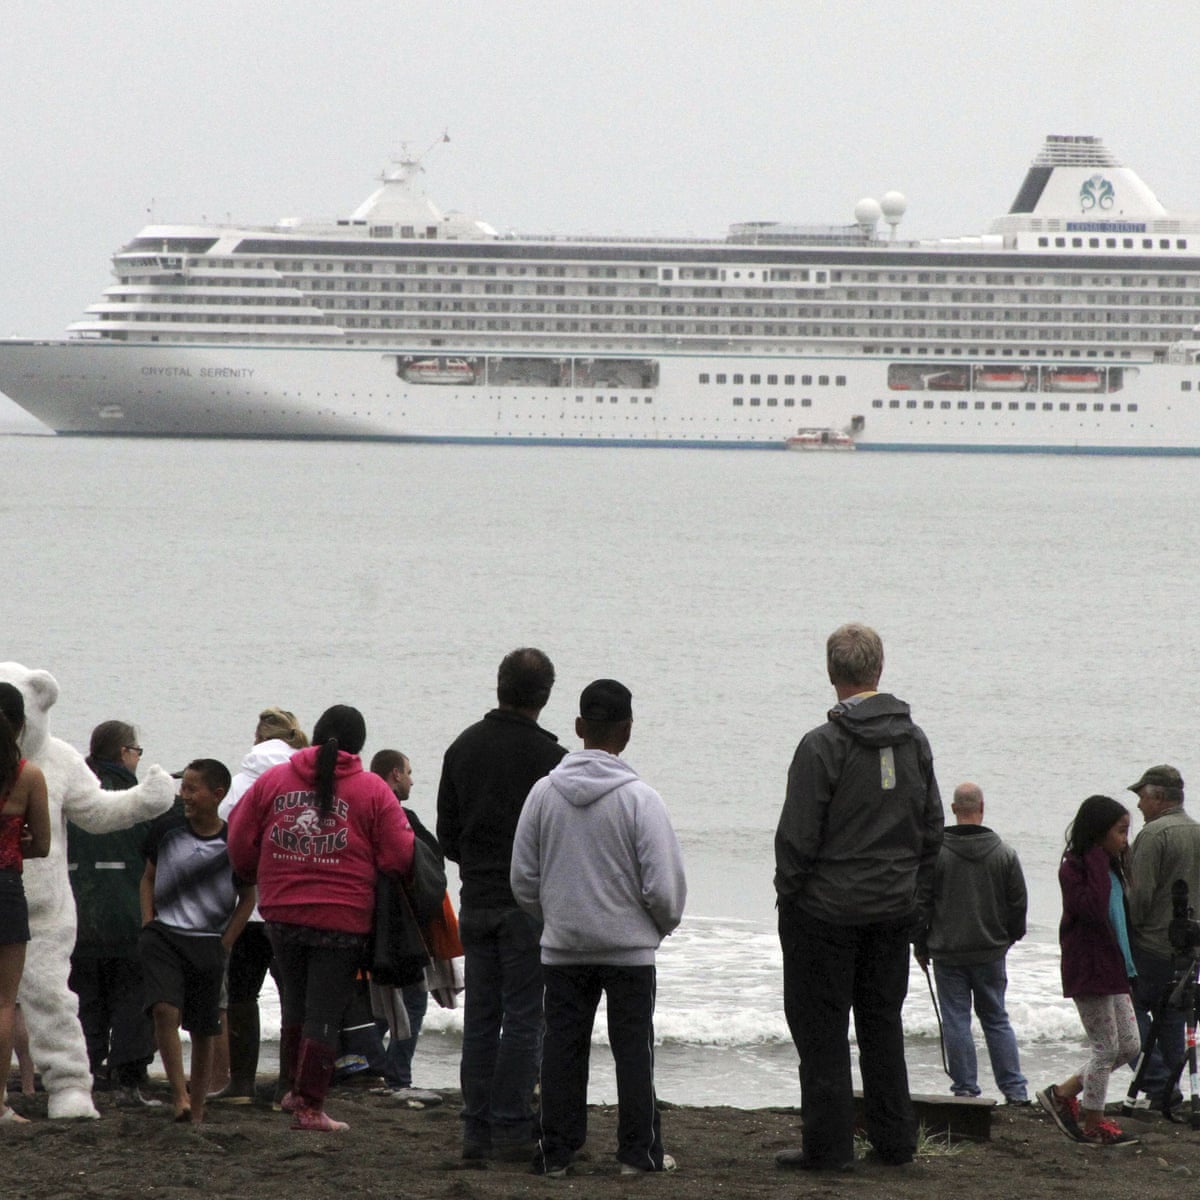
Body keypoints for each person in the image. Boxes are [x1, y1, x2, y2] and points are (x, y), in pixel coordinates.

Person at [774, 623, 943, 1172]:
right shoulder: (914, 740)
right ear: (879, 669)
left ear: (832, 673)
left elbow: (797, 838)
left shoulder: (823, 744)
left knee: (821, 1030)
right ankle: (894, 1143)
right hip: (892, 908)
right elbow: (931, 829)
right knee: (881, 1025)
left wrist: (790, 896)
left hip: (826, 911)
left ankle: (829, 1149)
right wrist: (914, 895)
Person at [511, 678, 687, 1177]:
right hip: (629, 950)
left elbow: (523, 877)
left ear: (579, 728)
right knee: (634, 1053)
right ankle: (637, 1153)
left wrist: (557, 916)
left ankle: (556, 1152)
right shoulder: (640, 799)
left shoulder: (544, 794)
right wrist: (655, 926)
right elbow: (664, 887)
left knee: (563, 1052)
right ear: (627, 731)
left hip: (564, 946)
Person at [227, 704, 414, 1132]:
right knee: (325, 1012)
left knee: (295, 1001)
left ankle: (292, 1088)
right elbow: (399, 854)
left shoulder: (274, 780)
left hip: (281, 912)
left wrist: (253, 872)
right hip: (342, 916)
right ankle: (310, 1105)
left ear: (313, 736)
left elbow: (239, 837)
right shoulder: (371, 789)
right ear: (360, 745)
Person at [437, 647, 566, 1161]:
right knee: (524, 1018)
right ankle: (511, 1127)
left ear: (499, 686)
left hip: (476, 898)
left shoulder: (462, 748)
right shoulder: (551, 761)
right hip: (526, 905)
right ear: (546, 696)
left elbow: (448, 837)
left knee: (482, 1017)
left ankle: (476, 1129)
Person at [140, 759, 255, 1125]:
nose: (184, 795)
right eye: (183, 787)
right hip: (165, 936)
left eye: (192, 789)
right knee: (164, 1010)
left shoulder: (233, 841)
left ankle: (199, 1109)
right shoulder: (167, 829)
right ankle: (179, 1095)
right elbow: (147, 878)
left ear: (217, 795)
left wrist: (226, 942)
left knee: (204, 1028)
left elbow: (249, 897)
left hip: (209, 943)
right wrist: (148, 924)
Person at [212, 707, 308, 1105]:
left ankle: (242, 1083)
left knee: (241, 993)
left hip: (248, 906)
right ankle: (290, 1082)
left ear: (257, 737)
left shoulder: (240, 783)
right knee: (294, 996)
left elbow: (224, 831)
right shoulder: (304, 781)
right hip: (292, 903)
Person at [915, 782, 1029, 1104]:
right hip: (990, 950)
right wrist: (1008, 939)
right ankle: (1015, 1090)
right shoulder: (1004, 852)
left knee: (956, 1020)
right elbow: (1018, 904)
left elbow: (921, 902)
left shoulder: (936, 853)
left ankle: (965, 1089)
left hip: (948, 951)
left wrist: (920, 944)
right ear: (982, 807)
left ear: (953, 810)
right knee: (996, 1018)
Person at [1037, 795, 1141, 1147]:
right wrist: (1097, 856)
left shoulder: (1110, 867)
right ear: (1098, 833)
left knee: (1129, 1045)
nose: (1125, 839)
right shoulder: (1076, 866)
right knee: (1105, 1049)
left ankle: (1063, 1092)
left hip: (1114, 968)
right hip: (1089, 968)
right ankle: (1093, 1121)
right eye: (1120, 831)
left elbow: (1120, 922)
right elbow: (1094, 911)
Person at [66, 720, 160, 1107]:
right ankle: (128, 1079)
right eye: (137, 751)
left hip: (76, 916)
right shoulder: (137, 799)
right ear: (124, 753)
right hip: (128, 917)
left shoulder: (73, 795)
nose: (138, 758)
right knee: (132, 999)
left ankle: (84, 1073)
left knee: (86, 999)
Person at [369, 748, 443, 1106]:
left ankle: (363, 1064)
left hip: (365, 920)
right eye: (409, 773)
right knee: (412, 999)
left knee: (377, 1004)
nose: (412, 780)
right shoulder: (401, 817)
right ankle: (397, 1075)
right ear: (395, 774)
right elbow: (427, 864)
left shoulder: (362, 812)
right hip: (398, 923)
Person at [1126, 765, 1200, 1109]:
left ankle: (1156, 1082)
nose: (1138, 805)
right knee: (1172, 1016)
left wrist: (1128, 932)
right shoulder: (1197, 832)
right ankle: (1169, 1086)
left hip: (1151, 944)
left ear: (1158, 797)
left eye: (1141, 796)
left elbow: (1139, 896)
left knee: (1131, 1011)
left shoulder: (1154, 834)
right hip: (1189, 947)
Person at [0, 682, 51, 1124]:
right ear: (19, 724)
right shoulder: (27, 774)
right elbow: (42, 846)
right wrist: (20, 841)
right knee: (4, 1002)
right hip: (4, 887)